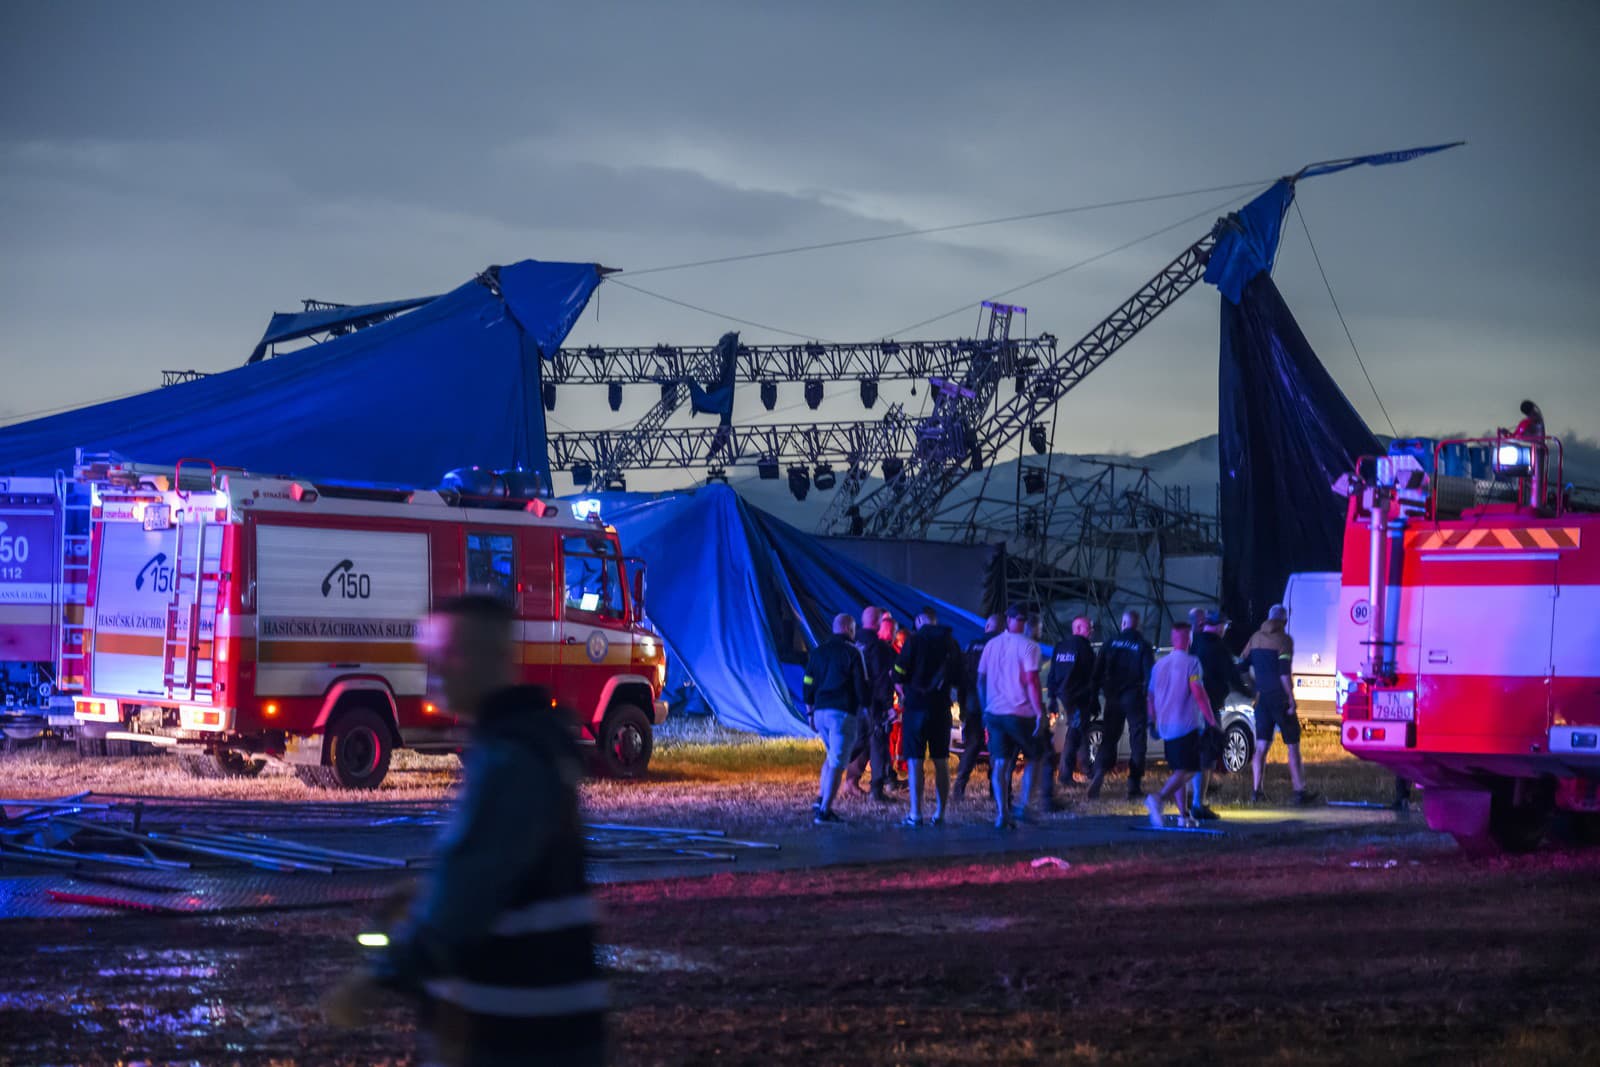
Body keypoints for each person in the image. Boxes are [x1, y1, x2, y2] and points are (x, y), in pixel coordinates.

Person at [323, 594, 607, 1067]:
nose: (433, 667)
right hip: (541, 1023)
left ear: (489, 658)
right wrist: (429, 888)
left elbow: (466, 902)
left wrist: (376, 979)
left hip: (521, 1033)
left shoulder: (509, 760)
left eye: (447, 653)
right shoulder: (519, 745)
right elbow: (510, 874)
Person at [893, 606, 966, 826]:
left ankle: (916, 814)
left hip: (916, 707)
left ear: (919, 621)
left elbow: (898, 672)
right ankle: (940, 813)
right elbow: (959, 676)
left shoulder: (914, 641)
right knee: (941, 760)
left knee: (915, 761)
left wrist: (903, 690)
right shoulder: (951, 643)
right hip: (941, 708)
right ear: (934, 621)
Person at [977, 603, 1046, 830]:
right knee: (1035, 755)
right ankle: (1024, 805)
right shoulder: (1029, 647)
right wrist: (1039, 712)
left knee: (1000, 764)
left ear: (1008, 620)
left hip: (995, 712)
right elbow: (1032, 682)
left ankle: (1002, 813)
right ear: (1024, 622)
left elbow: (981, 680)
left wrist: (984, 707)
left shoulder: (991, 645)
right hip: (1020, 712)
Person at [1144, 622, 1218, 829]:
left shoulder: (1159, 665)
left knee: (1178, 770)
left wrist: (1152, 720)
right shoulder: (1192, 663)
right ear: (1190, 639)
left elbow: (1149, 696)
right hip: (1186, 723)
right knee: (1191, 769)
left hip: (1165, 725)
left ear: (1171, 639)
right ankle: (1158, 798)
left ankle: (1183, 815)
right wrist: (1211, 720)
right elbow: (1198, 693)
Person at [1243, 604, 1318, 806]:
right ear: (1284, 621)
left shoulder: (1255, 638)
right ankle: (1299, 791)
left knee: (1261, 746)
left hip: (1262, 699)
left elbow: (1242, 665)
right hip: (1280, 700)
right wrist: (1291, 699)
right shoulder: (1284, 640)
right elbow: (1284, 674)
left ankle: (1256, 791)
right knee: (1292, 745)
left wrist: (1253, 688)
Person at [803, 613, 869, 824]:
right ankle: (824, 811)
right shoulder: (853, 652)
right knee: (839, 762)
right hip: (841, 712)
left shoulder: (818, 652)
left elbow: (808, 682)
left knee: (831, 756)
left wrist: (810, 711)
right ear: (850, 629)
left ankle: (821, 798)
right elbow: (861, 685)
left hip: (820, 711)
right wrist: (867, 706)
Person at [1089, 610, 1155, 799]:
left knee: (1109, 737)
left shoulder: (1110, 643)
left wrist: (1095, 696)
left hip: (1113, 697)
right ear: (1138, 625)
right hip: (1134, 697)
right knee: (1137, 739)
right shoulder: (1143, 645)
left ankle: (1099, 771)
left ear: (1123, 623)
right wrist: (1149, 700)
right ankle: (1134, 785)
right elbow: (1150, 676)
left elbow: (1097, 672)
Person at [1189, 610, 1248, 820]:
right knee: (1207, 754)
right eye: (1224, 626)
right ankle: (1197, 802)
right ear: (1220, 626)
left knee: (1194, 754)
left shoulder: (1196, 644)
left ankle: (1193, 797)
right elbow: (1232, 676)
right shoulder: (1218, 646)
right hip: (1209, 705)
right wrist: (1249, 693)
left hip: (1191, 706)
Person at [845, 605, 900, 803]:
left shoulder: (852, 642)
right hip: (873, 705)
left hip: (851, 704)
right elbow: (883, 681)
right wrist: (888, 708)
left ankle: (841, 776)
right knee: (878, 745)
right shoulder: (880, 648)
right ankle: (877, 791)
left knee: (859, 744)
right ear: (878, 623)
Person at [953, 613, 1003, 801]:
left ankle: (960, 786)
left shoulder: (972, 645)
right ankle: (995, 789)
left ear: (987, 626)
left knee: (973, 744)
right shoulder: (1001, 645)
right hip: (995, 701)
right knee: (997, 746)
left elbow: (962, 676)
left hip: (973, 701)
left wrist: (964, 704)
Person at [1047, 615, 1097, 788]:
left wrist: (1052, 698)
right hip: (1078, 699)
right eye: (1087, 628)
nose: (1091, 631)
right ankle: (1065, 775)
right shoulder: (1084, 648)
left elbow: (1052, 674)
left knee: (1081, 730)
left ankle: (1087, 769)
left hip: (1063, 697)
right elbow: (1092, 677)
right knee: (1074, 734)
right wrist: (1094, 699)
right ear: (1077, 629)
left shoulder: (1060, 647)